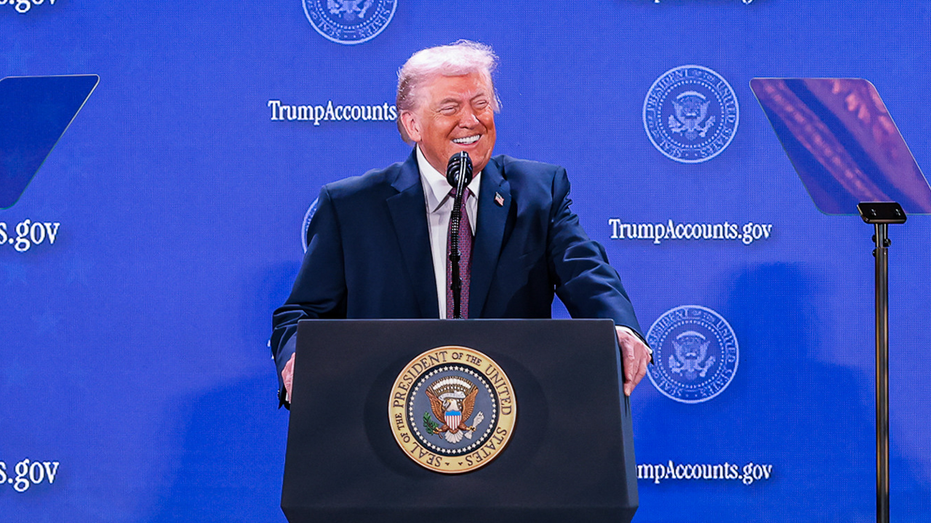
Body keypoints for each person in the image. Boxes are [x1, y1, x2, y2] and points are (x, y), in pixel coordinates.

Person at [271, 40, 650, 407]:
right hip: (385, 415)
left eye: (481, 104)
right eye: (450, 107)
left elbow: (585, 271)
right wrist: (298, 357)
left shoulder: (538, 192)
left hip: (515, 415)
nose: (470, 120)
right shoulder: (351, 207)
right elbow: (302, 314)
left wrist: (619, 327)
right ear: (412, 125)